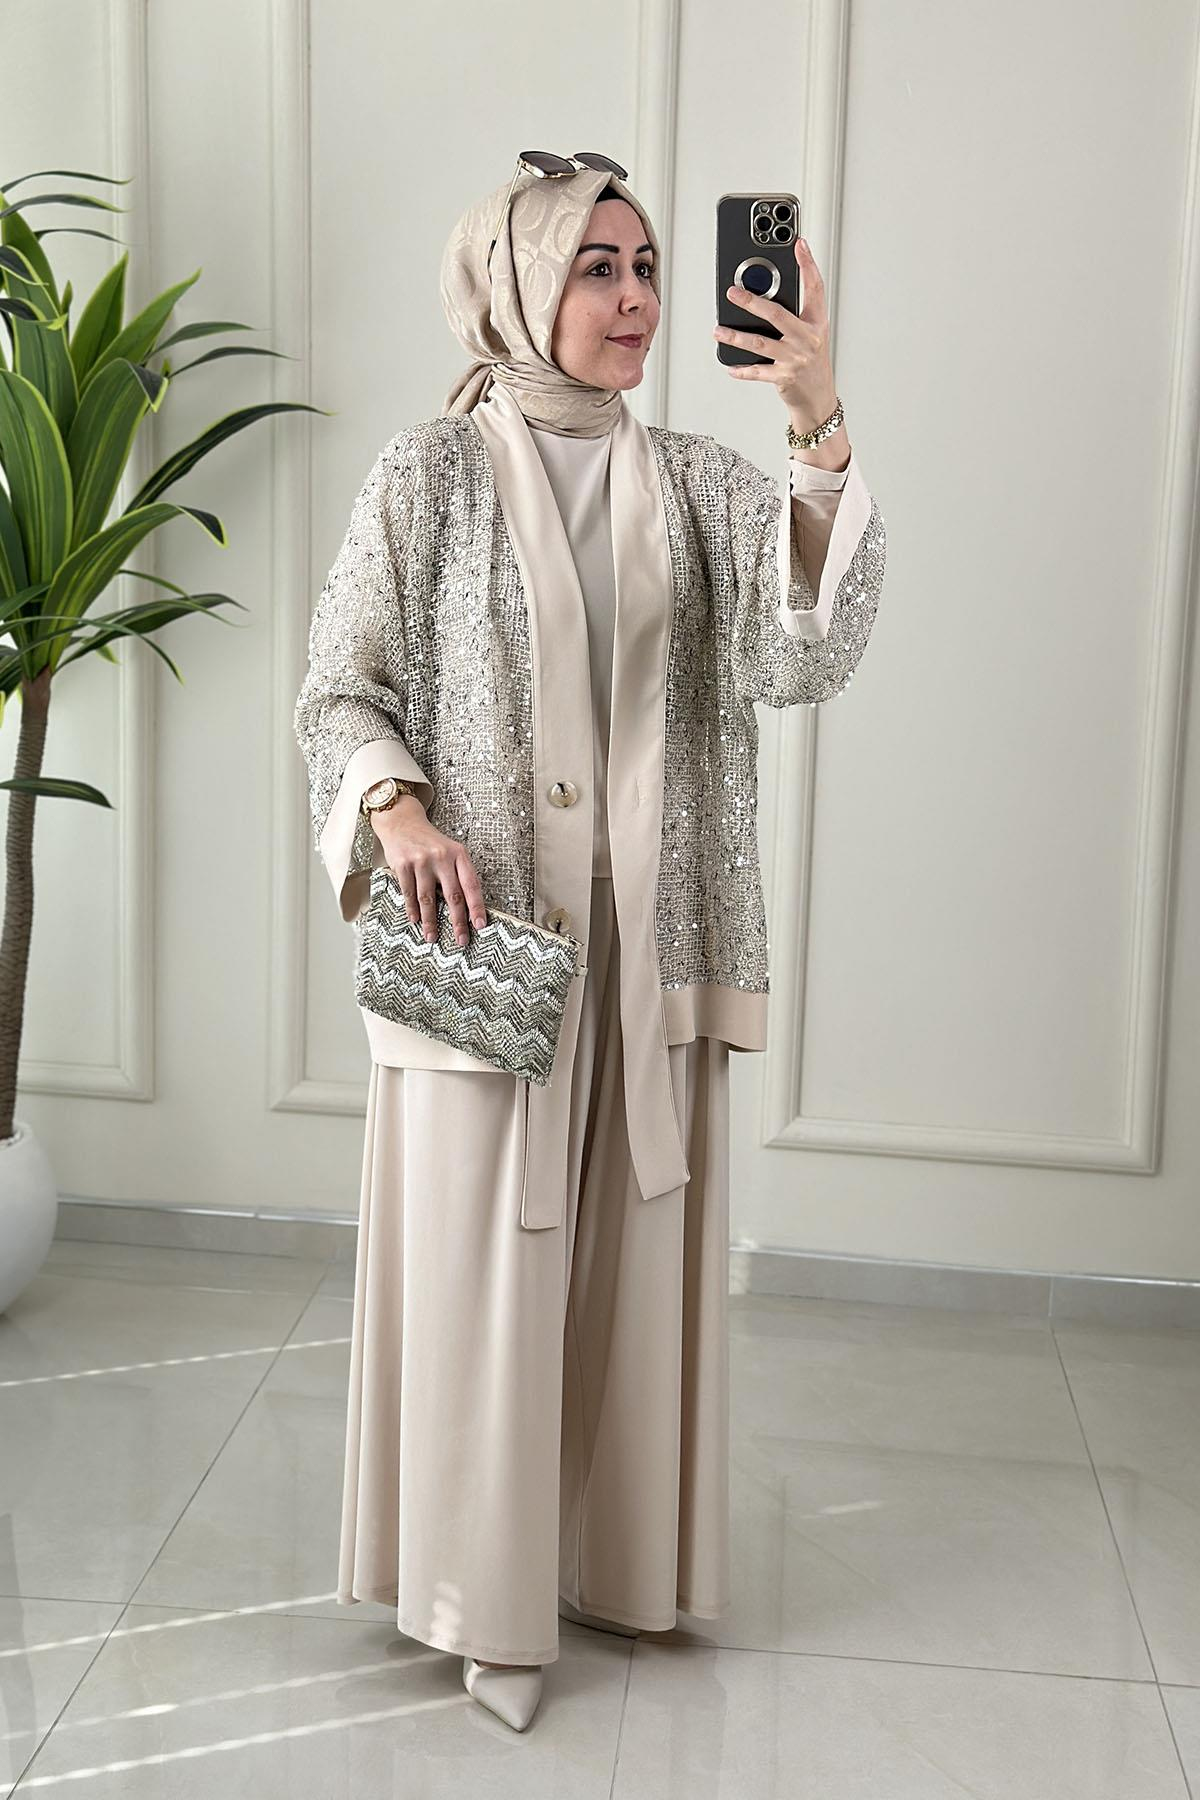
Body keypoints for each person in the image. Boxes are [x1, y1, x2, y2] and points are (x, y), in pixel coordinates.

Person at [293, 154, 887, 1732]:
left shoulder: (697, 480)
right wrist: (398, 812)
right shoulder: (428, 475)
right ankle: (481, 1606)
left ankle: (623, 1571)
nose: (635, 299)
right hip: (484, 938)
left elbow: (805, 653)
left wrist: (815, 419)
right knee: (488, 1274)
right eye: (596, 267)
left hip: (656, 942)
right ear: (515, 285)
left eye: (646, 267)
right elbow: (338, 688)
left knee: (636, 1269)